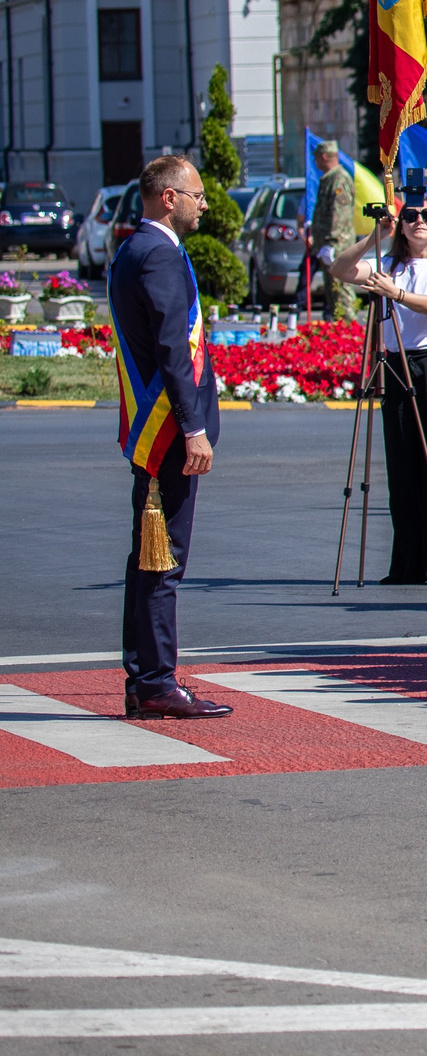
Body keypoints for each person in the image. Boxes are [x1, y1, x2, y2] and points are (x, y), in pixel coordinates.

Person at [109, 154, 230, 720]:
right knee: (163, 561)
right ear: (168, 197)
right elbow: (172, 350)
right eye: (197, 194)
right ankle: (157, 682)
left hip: (153, 429)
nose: (204, 203)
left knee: (147, 559)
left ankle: (144, 676)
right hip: (169, 432)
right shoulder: (159, 254)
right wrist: (194, 428)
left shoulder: (135, 249)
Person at [335, 178, 427, 586]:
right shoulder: (389, 265)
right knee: (404, 465)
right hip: (397, 361)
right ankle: (409, 561)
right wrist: (373, 238)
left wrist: (393, 292)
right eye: (411, 216)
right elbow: (341, 270)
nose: (419, 222)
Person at [308, 141, 357, 321]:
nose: (314, 163)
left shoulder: (339, 179)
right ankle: (340, 328)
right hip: (328, 245)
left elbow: (339, 214)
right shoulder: (329, 178)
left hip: (338, 246)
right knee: (332, 293)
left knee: (341, 291)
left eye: (315, 159)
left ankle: (350, 331)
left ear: (323, 157)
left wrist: (331, 242)